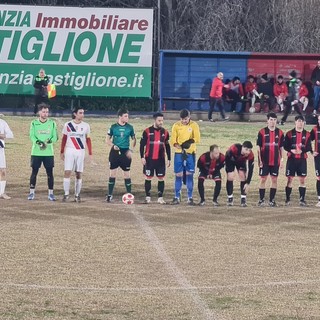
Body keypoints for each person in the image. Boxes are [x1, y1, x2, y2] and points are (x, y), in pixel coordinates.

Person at [60, 107, 93, 203]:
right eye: (80, 113)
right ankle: (66, 194)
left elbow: (88, 140)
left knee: (78, 173)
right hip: (70, 150)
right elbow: (64, 139)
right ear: (75, 114)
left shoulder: (86, 126)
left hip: (80, 151)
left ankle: (77, 195)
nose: (82, 115)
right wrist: (62, 152)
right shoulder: (68, 125)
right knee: (67, 172)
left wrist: (90, 153)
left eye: (83, 113)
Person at [28, 103, 58, 200]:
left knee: (50, 173)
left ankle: (50, 193)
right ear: (39, 112)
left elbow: (55, 137)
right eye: (43, 112)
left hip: (48, 153)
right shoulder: (33, 123)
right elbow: (32, 136)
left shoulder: (52, 123)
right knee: (34, 172)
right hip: (36, 152)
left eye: (47, 112)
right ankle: (31, 192)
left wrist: (50, 141)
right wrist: (39, 142)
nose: (45, 114)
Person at [170, 109, 200, 205]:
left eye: (186, 119)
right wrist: (179, 146)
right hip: (179, 153)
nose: (184, 121)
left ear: (189, 117)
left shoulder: (194, 125)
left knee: (189, 174)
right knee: (178, 174)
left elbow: (197, 138)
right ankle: (176, 197)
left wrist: (189, 142)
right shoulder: (176, 126)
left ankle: (190, 198)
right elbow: (173, 140)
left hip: (190, 153)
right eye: (182, 119)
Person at [140, 112, 171, 204]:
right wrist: (142, 157)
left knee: (161, 178)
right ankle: (148, 197)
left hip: (160, 160)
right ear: (154, 120)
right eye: (159, 120)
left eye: (162, 120)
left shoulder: (165, 132)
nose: (161, 122)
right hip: (149, 159)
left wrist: (169, 158)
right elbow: (142, 145)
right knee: (148, 177)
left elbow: (167, 146)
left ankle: (160, 198)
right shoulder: (147, 131)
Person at [106, 108, 136, 202]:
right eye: (125, 116)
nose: (127, 118)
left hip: (125, 152)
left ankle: (129, 194)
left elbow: (134, 139)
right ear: (120, 117)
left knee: (127, 174)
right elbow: (107, 140)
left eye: (127, 116)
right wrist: (113, 145)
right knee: (112, 174)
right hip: (115, 152)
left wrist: (131, 150)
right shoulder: (113, 127)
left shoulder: (130, 127)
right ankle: (109, 195)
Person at [257, 112, 284, 207]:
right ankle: (261, 200)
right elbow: (258, 148)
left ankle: (272, 200)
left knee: (274, 179)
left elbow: (281, 147)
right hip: (264, 160)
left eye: (274, 120)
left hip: (275, 161)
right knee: (263, 179)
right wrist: (260, 160)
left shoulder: (280, 133)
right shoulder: (261, 132)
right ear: (267, 121)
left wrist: (282, 160)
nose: (273, 122)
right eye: (271, 120)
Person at [283, 115, 312, 206]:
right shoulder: (289, 133)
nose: (300, 123)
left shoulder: (307, 134)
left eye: (302, 121)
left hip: (302, 160)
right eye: (299, 121)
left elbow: (308, 147)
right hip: (291, 159)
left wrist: (302, 151)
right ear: (295, 122)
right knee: (290, 179)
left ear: (304, 123)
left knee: (302, 180)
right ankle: (287, 199)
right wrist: (291, 150)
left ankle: (302, 199)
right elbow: (285, 146)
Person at [225, 141, 254, 207]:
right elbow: (227, 156)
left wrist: (248, 183)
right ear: (242, 147)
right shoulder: (234, 148)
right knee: (230, 176)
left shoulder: (251, 155)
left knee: (243, 176)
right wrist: (228, 169)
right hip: (230, 161)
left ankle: (243, 199)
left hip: (241, 162)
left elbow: (251, 169)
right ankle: (230, 198)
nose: (248, 152)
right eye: (246, 149)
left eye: (249, 150)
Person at [0, 118, 14, 199]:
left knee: (2, 171)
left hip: (0, 150)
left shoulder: (2, 122)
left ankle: (1, 192)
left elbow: (10, 135)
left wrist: (1, 136)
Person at [309, 114, 320, 206]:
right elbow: (308, 140)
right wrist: (312, 151)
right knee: (319, 177)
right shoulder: (315, 129)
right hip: (318, 157)